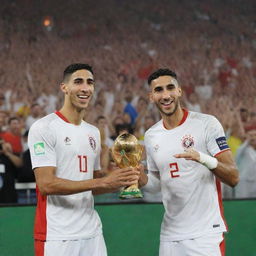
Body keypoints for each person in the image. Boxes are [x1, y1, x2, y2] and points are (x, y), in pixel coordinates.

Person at [28, 63, 139, 256]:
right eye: (78, 82)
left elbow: (95, 184)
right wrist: (103, 180)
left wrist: (123, 177)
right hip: (58, 235)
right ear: (64, 87)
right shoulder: (44, 127)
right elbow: (46, 184)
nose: (85, 88)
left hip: (92, 233)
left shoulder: (93, 132)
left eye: (90, 83)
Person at [139, 68, 239, 256]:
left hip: (205, 234)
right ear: (151, 96)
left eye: (170, 88)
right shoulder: (151, 135)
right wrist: (142, 180)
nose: (165, 95)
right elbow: (157, 183)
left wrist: (201, 158)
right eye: (159, 90)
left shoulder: (207, 124)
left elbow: (233, 176)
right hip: (170, 235)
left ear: (179, 91)